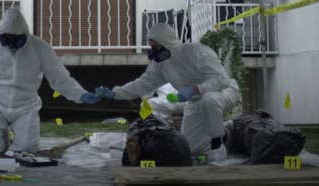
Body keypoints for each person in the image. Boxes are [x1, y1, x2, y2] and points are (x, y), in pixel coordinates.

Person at [96, 23, 239, 161]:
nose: (153, 50)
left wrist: (196, 89)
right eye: (151, 46)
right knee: (189, 149)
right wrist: (115, 93)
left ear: (167, 42)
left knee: (209, 100)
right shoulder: (161, 65)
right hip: (195, 100)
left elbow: (222, 79)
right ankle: (227, 131)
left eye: (155, 46)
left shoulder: (196, 51)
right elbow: (141, 85)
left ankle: (217, 143)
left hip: (224, 92)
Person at [0, 7, 101, 156]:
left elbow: (59, 77)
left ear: (25, 35)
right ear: (0, 35)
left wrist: (80, 94)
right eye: (7, 38)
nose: (11, 43)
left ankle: (8, 142)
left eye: (16, 39)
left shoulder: (39, 47)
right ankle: (0, 140)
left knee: (27, 150)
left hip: (25, 107)